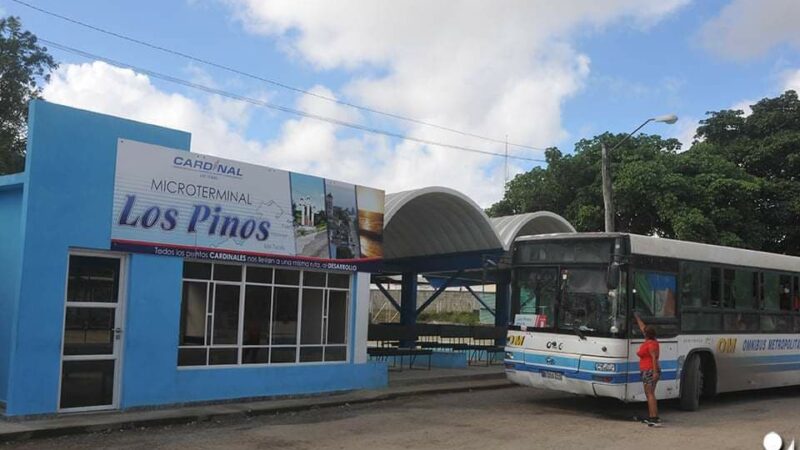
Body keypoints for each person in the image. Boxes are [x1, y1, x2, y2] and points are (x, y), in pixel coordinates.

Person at [634, 312, 661, 427]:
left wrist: (655, 372)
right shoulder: (653, 342)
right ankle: (654, 416)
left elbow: (654, 358)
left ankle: (653, 418)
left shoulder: (650, 345)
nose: (643, 332)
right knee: (651, 393)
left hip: (649, 370)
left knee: (649, 394)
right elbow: (642, 326)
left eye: (644, 332)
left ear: (646, 334)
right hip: (650, 370)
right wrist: (636, 316)